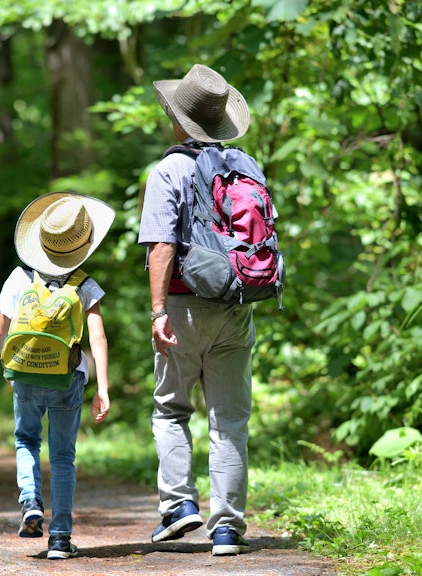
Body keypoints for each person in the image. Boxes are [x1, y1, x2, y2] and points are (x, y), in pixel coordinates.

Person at [138, 64, 256, 556]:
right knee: (229, 420)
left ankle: (178, 506)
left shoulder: (168, 171)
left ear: (178, 120)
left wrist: (157, 311)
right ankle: (227, 529)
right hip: (236, 304)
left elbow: (162, 245)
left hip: (184, 304)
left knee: (171, 409)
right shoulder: (245, 167)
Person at [0, 191, 114, 560]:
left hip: (26, 375)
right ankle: (60, 538)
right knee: (62, 457)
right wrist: (103, 387)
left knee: (26, 440)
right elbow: (98, 338)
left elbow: (0, 332)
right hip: (68, 377)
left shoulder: (19, 278)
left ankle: (31, 502)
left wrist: (9, 368)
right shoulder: (85, 285)